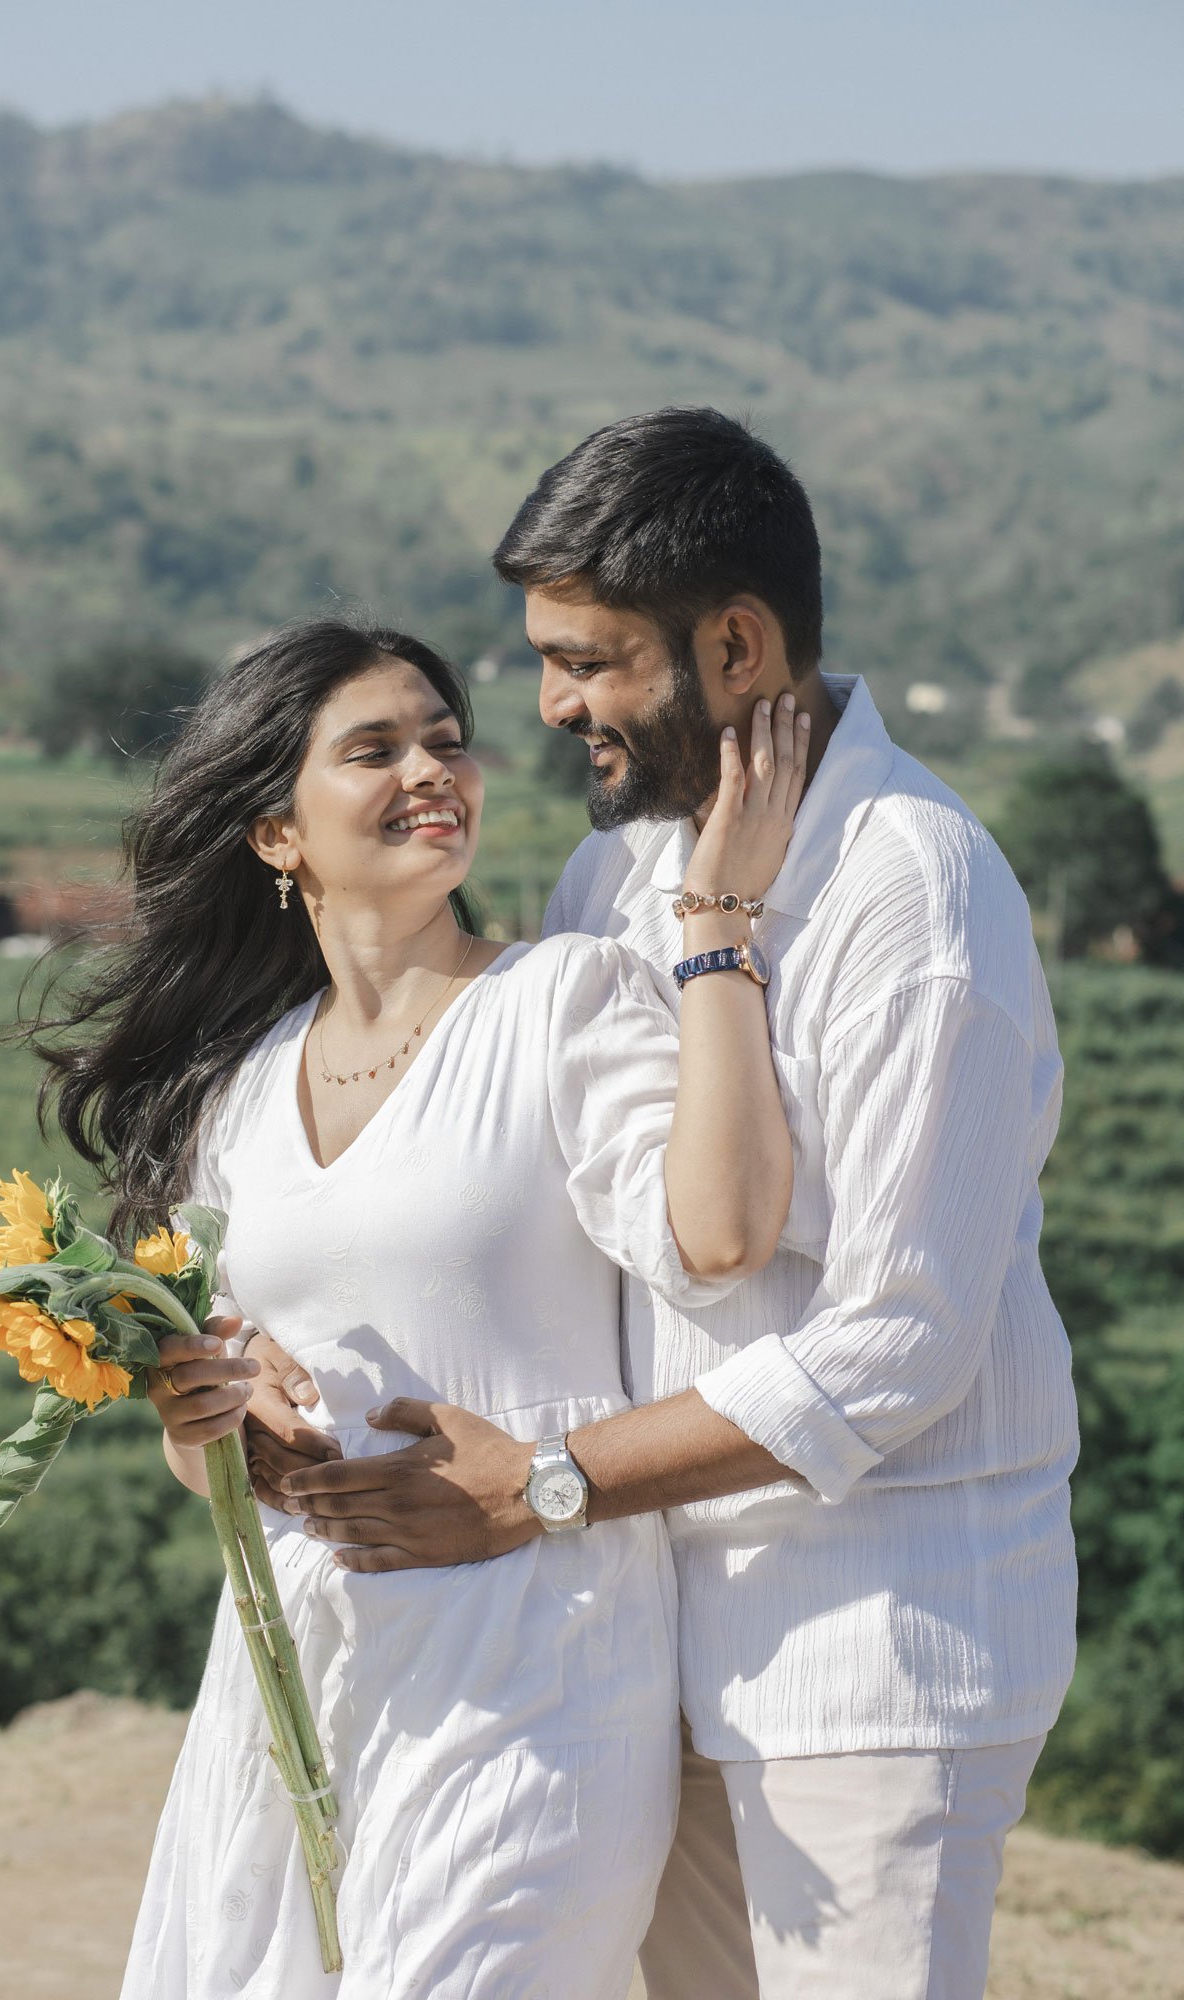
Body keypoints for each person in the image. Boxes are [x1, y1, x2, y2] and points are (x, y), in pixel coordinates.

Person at [249, 411, 1080, 2000]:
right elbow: (547, 1214)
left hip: (872, 1638)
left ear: (735, 645)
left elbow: (900, 1343)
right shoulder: (617, 870)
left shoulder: (915, 894)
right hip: (638, 1642)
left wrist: (542, 1485)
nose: (551, 707)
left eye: (588, 662)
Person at [31, 615, 807, 1998]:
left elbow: (724, 1233)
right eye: (375, 749)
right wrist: (207, 1413)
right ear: (277, 833)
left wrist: (715, 926)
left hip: (539, 1659)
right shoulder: (240, 1091)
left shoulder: (560, 999)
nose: (431, 770)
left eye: (446, 741)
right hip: (301, 1656)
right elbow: (214, 1454)